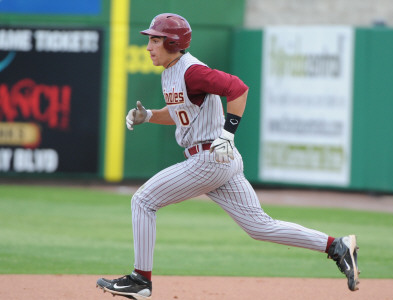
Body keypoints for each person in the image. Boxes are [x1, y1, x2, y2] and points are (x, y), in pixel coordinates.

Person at [96, 13, 360, 300]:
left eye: (155, 40)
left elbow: (237, 88)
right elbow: (181, 115)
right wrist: (147, 115)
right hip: (219, 160)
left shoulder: (191, 71)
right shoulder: (171, 72)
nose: (149, 46)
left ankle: (140, 280)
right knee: (260, 226)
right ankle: (337, 246)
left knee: (143, 200)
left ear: (173, 42)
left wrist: (228, 133)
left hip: (209, 157)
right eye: (150, 40)